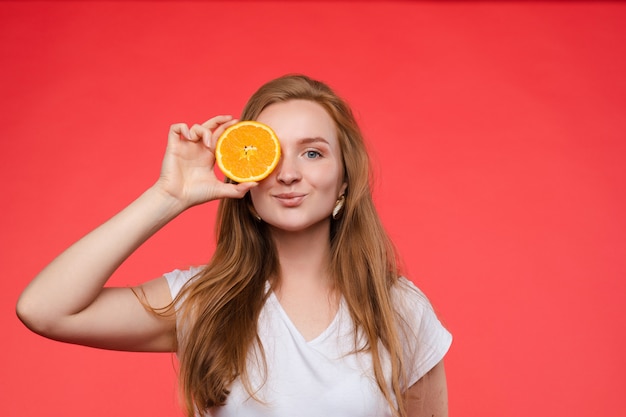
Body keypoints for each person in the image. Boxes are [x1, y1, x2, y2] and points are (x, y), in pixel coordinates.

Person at [16, 74, 452, 417]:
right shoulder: (205, 301)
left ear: (344, 180)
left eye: (313, 153)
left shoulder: (398, 309)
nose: (287, 173)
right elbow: (45, 309)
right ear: (244, 172)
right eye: (270, 152)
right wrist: (168, 196)